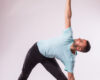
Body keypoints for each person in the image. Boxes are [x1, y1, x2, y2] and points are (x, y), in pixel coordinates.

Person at [18, 0, 91, 80]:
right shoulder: (68, 36)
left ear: (79, 48)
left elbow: (71, 77)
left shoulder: (70, 59)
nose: (79, 38)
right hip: (35, 51)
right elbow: (68, 17)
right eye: (81, 39)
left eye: (80, 41)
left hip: (47, 58)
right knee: (24, 75)